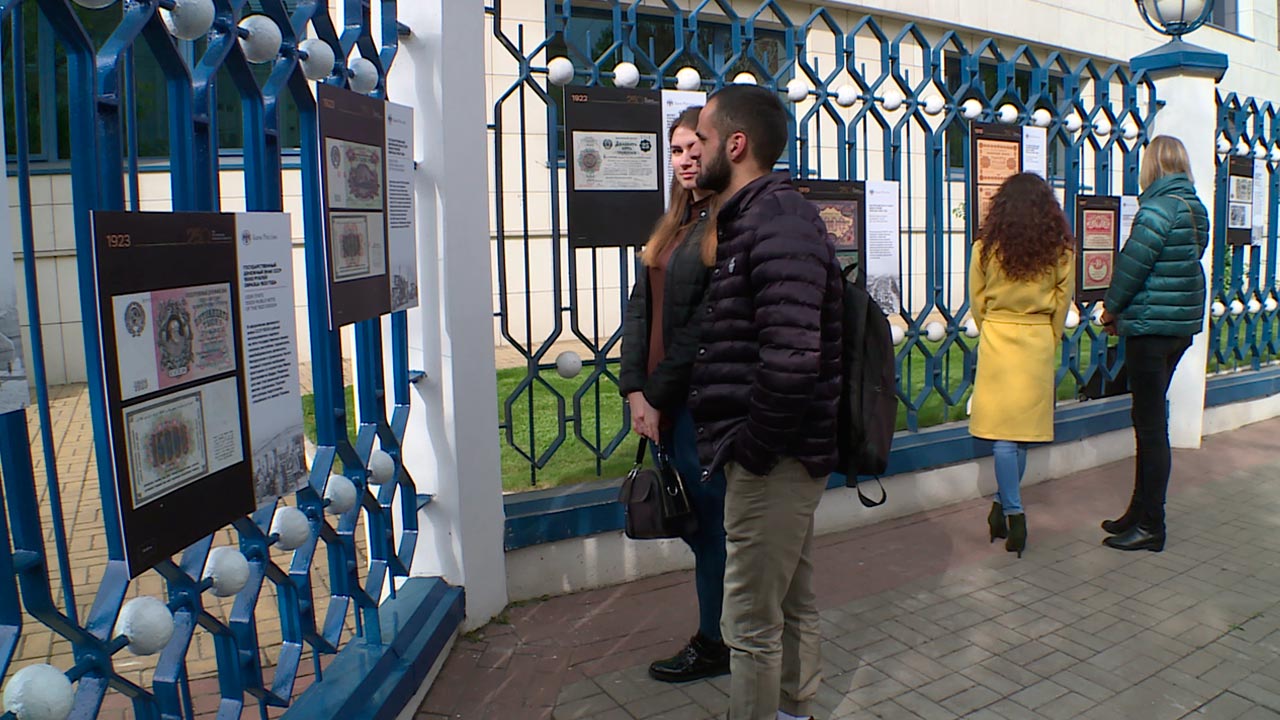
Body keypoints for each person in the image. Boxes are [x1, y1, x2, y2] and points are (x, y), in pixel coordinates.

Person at [686, 84, 843, 720]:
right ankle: (794, 711)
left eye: (701, 139)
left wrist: (752, 450)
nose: (692, 153)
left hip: (775, 458)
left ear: (735, 144)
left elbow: (793, 357)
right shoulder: (757, 217)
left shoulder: (777, 221)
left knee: (749, 623)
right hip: (780, 453)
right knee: (790, 602)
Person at [619, 106, 729, 683]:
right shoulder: (674, 223)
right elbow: (640, 310)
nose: (685, 161)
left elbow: (704, 326)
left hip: (698, 403)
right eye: (677, 151)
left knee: (708, 525)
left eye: (694, 149)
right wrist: (634, 389)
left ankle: (717, 641)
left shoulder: (725, 224)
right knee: (692, 521)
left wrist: (657, 395)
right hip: (662, 400)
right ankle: (726, 631)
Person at [1100, 135, 1208, 552]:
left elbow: (1133, 266)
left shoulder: (1156, 209)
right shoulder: (1194, 208)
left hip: (1150, 329)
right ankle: (1138, 510)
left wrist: (1111, 310)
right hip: (1179, 328)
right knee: (1149, 421)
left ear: (1152, 166)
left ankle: (1151, 525)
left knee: (1150, 426)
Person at [968, 173, 1076, 558]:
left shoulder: (985, 248)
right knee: (1023, 433)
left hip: (998, 336)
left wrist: (992, 328)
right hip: (1037, 338)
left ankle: (1009, 511)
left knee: (1002, 434)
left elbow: (977, 300)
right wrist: (1050, 337)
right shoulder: (1060, 251)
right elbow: (1063, 300)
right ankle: (1006, 510)